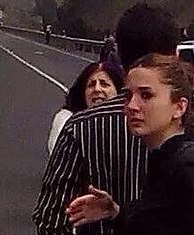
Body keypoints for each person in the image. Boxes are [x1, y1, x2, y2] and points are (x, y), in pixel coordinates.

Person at [33, 4, 181, 235]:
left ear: (119, 59)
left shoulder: (80, 128)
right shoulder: (182, 123)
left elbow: (51, 219)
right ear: (175, 57)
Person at [66, 54, 194, 234]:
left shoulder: (185, 168)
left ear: (179, 107)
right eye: (128, 95)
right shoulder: (163, 161)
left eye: (146, 95)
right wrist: (116, 213)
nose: (132, 106)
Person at [48, 61, 124, 154]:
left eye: (104, 84)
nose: (97, 89)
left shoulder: (130, 123)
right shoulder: (68, 122)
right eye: (91, 85)